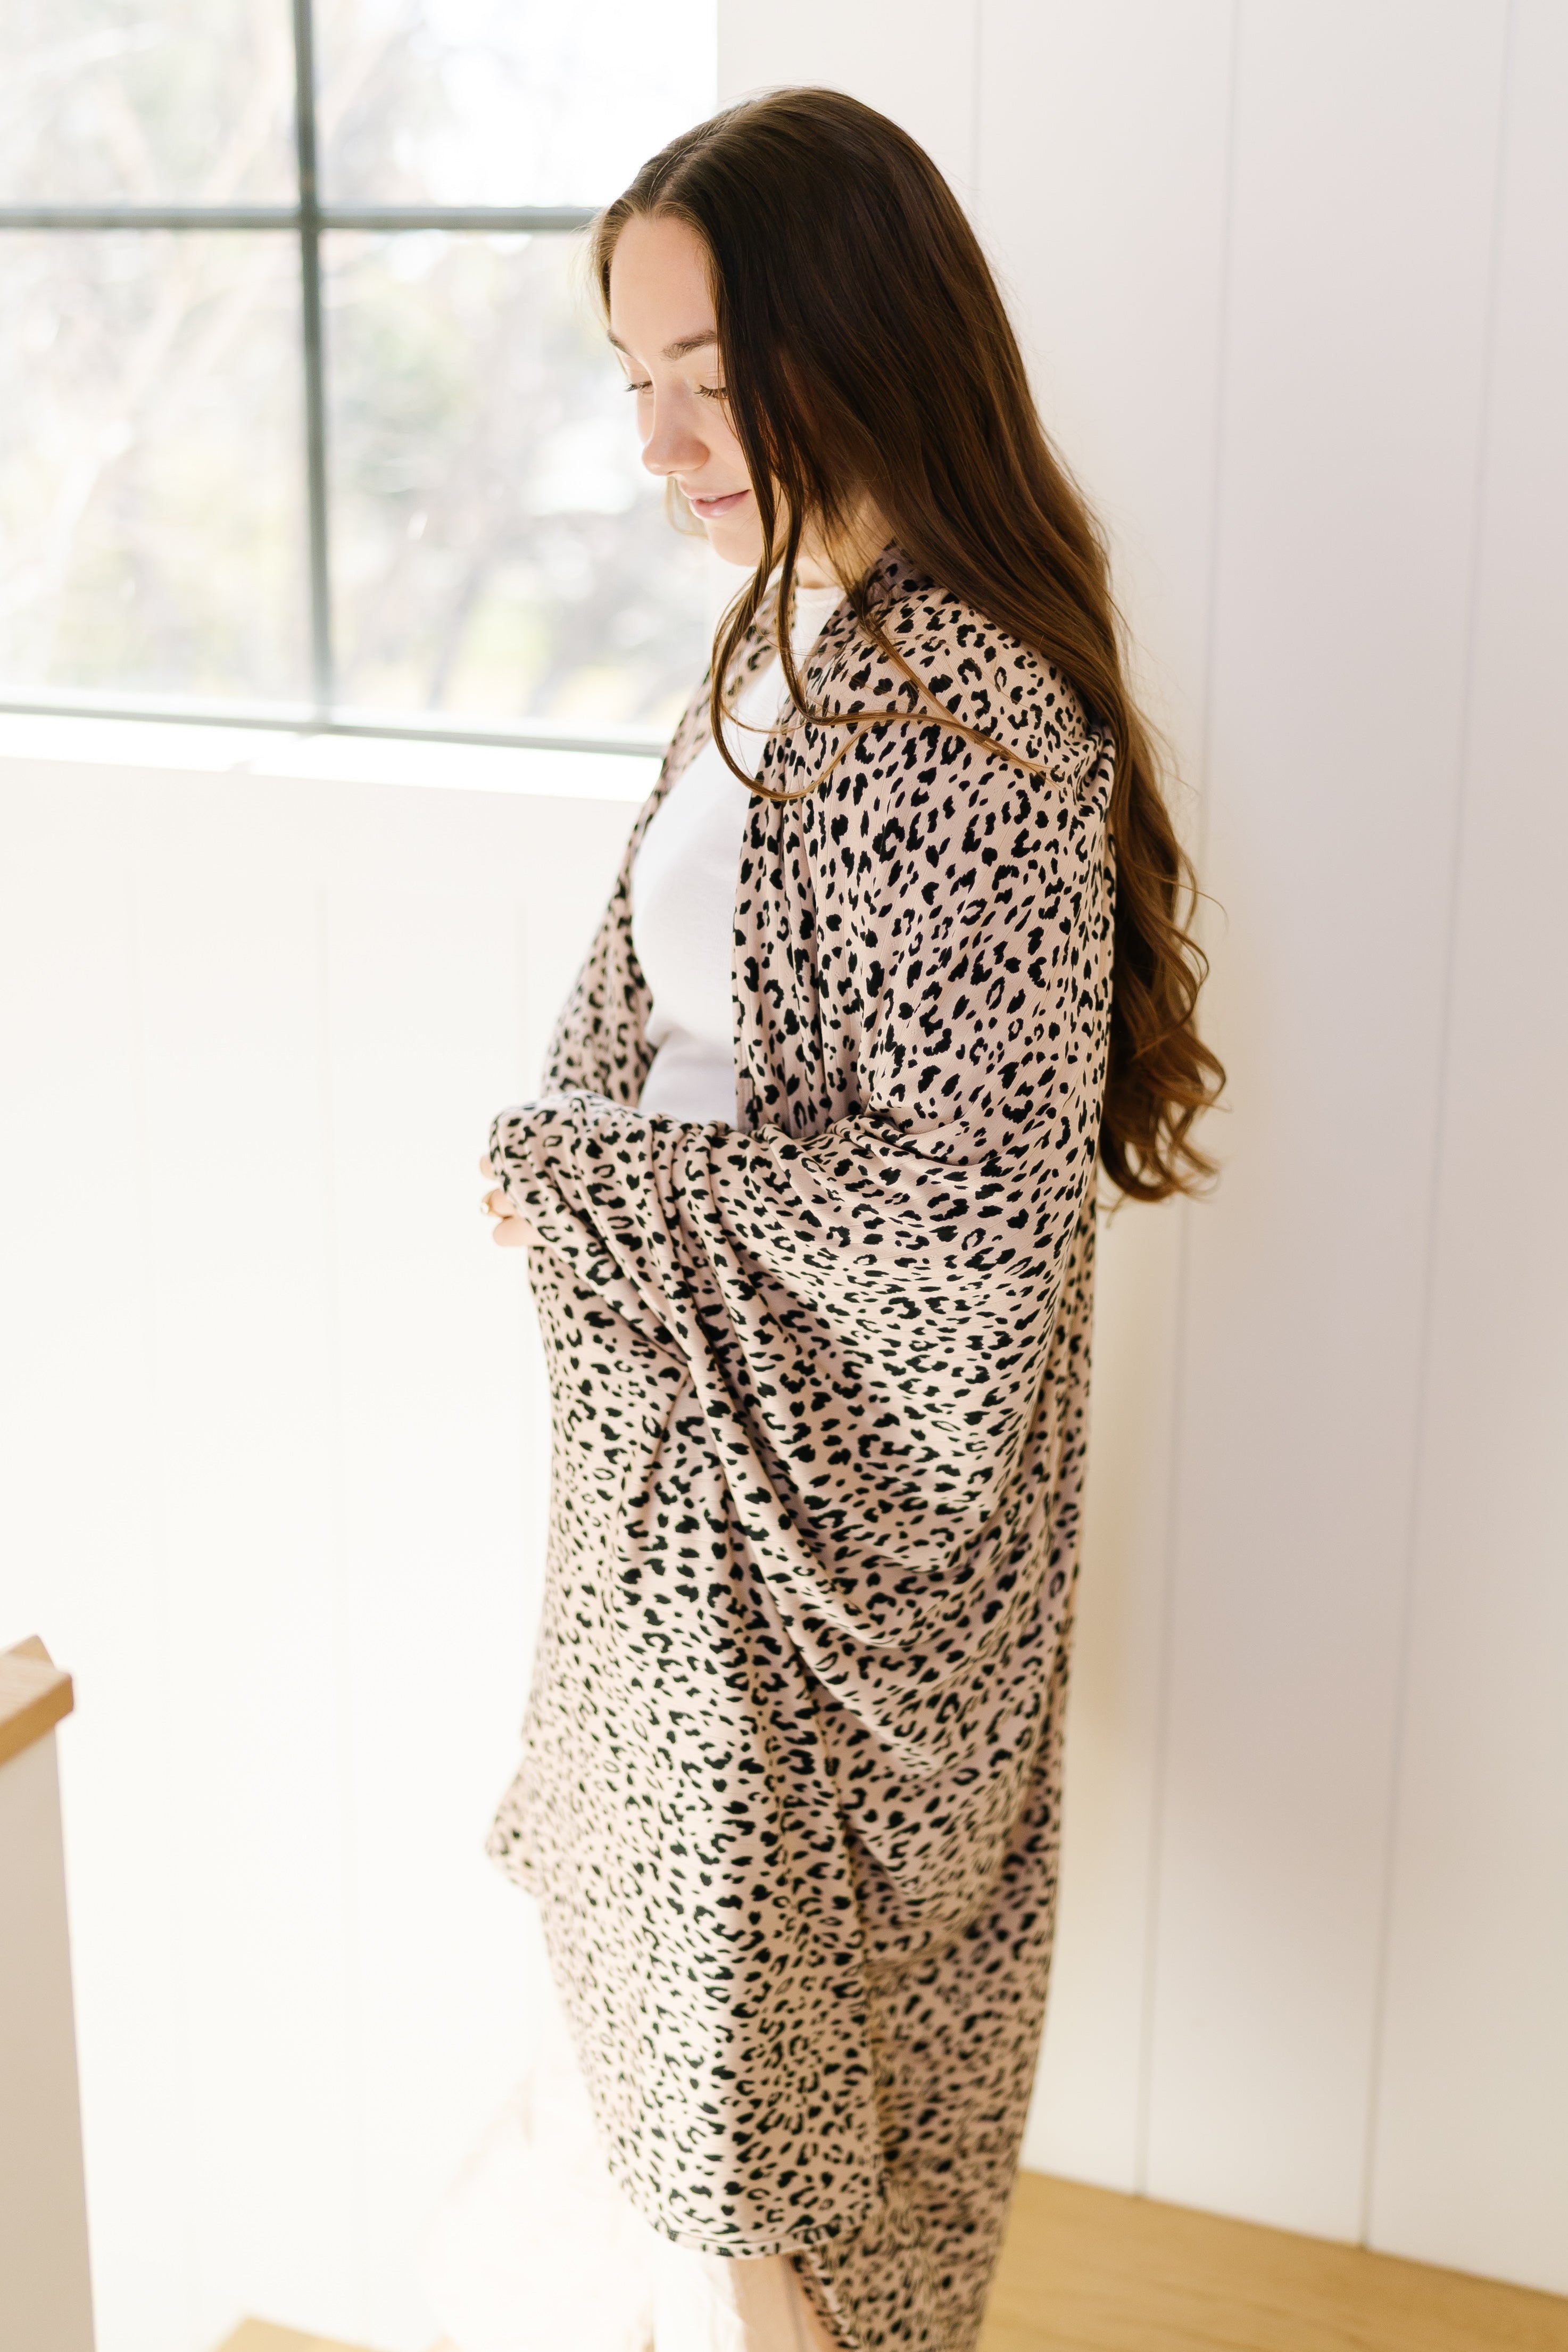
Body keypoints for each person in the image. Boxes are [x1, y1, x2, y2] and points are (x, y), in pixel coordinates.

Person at [455, 86, 1222, 2352]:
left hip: (812, 1543)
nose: (660, 446)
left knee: (777, 2162)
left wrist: (591, 1172)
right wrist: (571, 1137)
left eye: (707, 383)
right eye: (636, 389)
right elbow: (654, 994)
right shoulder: (788, 634)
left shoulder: (963, 717)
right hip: (691, 1477)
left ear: (860, 339)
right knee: (690, 2139)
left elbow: (957, 1240)